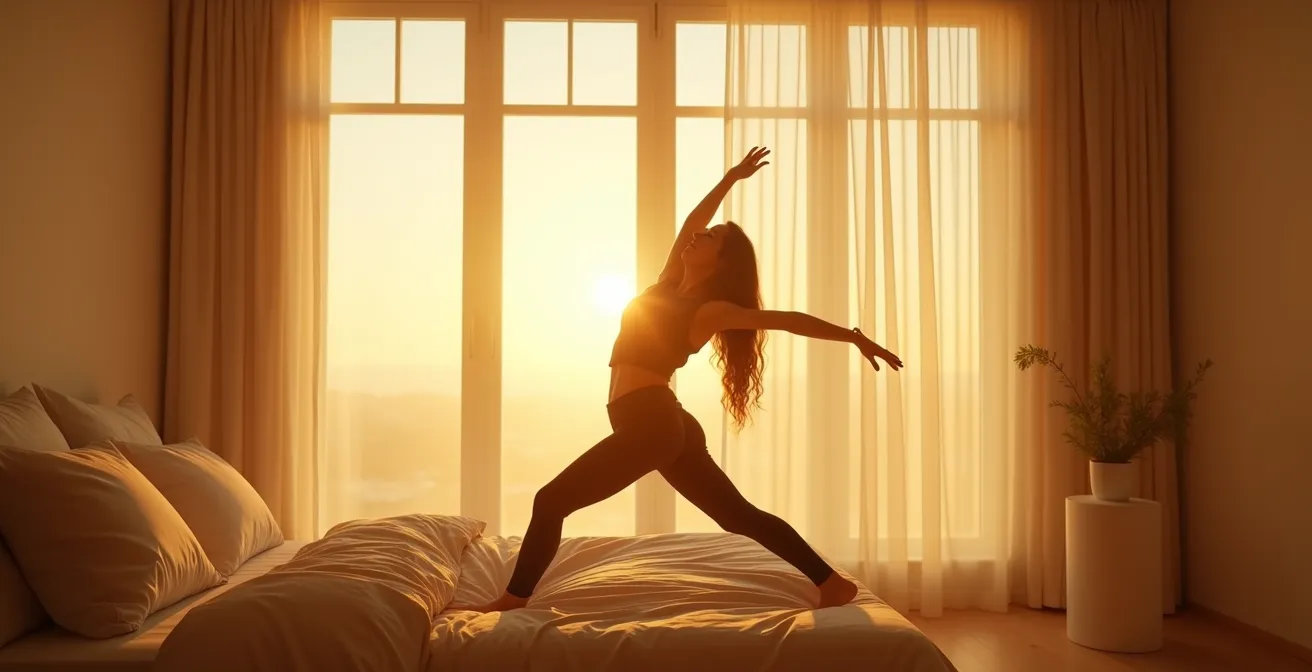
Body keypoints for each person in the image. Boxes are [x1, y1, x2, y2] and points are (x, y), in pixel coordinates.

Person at [469, 147, 903, 613]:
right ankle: (831, 584)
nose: (698, 236)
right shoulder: (664, 286)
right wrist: (730, 179)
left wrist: (853, 337)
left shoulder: (708, 311)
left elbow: (787, 320)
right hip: (659, 422)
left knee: (550, 501)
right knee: (737, 515)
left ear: (722, 261)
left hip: (652, 423)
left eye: (711, 238)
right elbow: (691, 222)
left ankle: (513, 600)